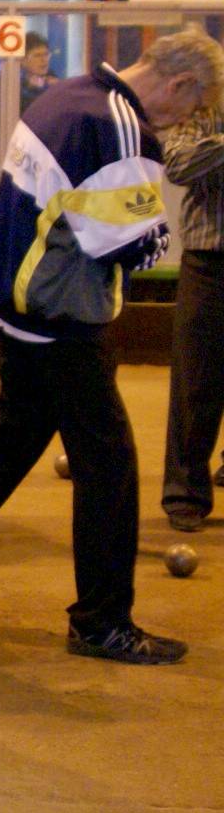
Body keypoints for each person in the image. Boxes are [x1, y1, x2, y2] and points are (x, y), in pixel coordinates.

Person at [0, 29, 224, 665]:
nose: (187, 121)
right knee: (109, 468)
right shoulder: (117, 124)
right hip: (65, 318)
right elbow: (133, 244)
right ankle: (102, 622)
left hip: (21, 307)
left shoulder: (67, 96)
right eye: (195, 106)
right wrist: (156, 226)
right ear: (181, 83)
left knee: (12, 439)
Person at [159, 99, 224, 533]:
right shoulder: (205, 106)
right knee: (196, 381)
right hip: (210, 259)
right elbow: (178, 164)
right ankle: (185, 494)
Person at [19, 32, 60, 112]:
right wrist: (33, 90)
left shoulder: (54, 82)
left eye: (46, 54)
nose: (44, 60)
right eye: (37, 55)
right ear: (23, 60)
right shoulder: (14, 85)